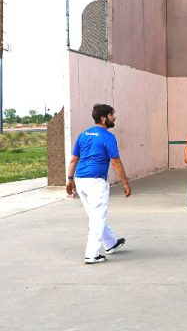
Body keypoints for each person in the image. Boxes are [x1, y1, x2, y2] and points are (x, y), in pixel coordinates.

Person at [66, 104, 131, 264]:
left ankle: (110, 243)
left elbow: (74, 159)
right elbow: (115, 161)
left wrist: (69, 179)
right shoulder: (107, 137)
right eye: (112, 114)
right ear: (103, 118)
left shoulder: (83, 135)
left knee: (95, 215)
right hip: (95, 182)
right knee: (97, 218)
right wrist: (125, 183)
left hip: (81, 181)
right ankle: (92, 254)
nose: (114, 117)